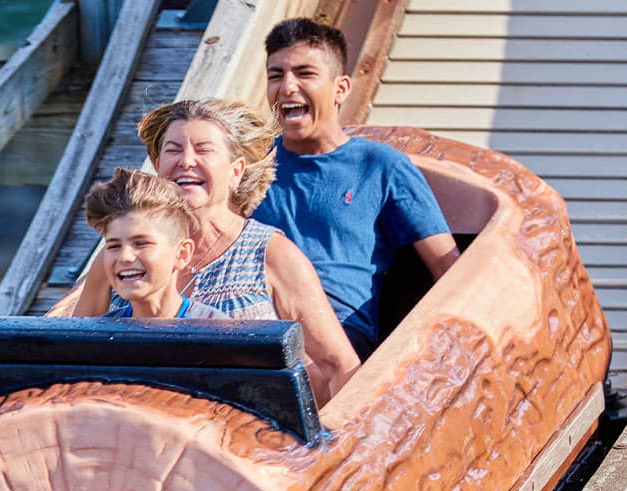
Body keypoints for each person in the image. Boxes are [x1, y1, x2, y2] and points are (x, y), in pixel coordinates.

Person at [74, 99, 360, 404]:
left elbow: (338, 367)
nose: (185, 161)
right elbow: (70, 353)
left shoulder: (271, 255)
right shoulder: (121, 257)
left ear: (235, 172)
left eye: (203, 149)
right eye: (173, 150)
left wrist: (335, 442)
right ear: (158, 167)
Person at [253, 17, 461, 360]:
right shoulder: (251, 166)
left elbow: (447, 267)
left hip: (339, 338)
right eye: (276, 75)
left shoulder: (380, 166)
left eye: (304, 73)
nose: (287, 87)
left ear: (341, 88)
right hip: (256, 325)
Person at [85, 167, 227, 319]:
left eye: (141, 244)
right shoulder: (103, 335)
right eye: (114, 246)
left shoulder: (216, 331)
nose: (125, 257)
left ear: (182, 254)